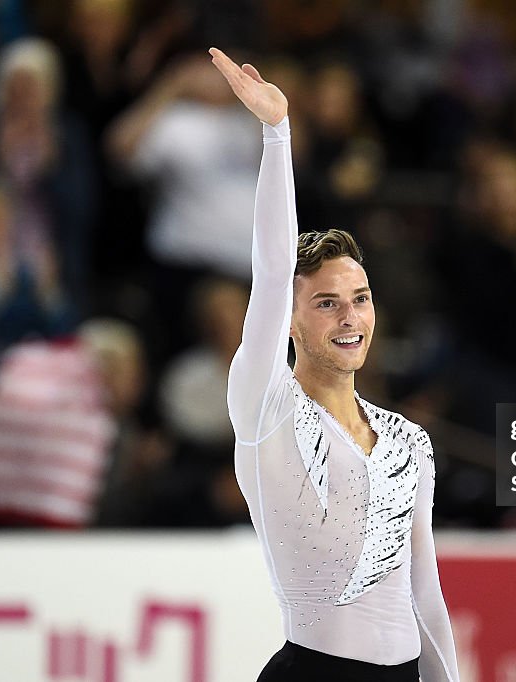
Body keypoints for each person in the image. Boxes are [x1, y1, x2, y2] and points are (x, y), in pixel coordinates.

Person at [209, 47, 460, 682]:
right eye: (326, 303)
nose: (350, 318)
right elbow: (270, 273)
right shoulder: (266, 409)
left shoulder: (409, 441)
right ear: (291, 320)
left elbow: (425, 596)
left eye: (361, 300)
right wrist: (276, 132)